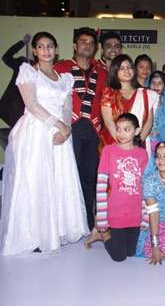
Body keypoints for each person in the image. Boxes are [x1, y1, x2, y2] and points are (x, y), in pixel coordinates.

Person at [0, 32, 88, 255]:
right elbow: (32, 105)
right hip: (36, 132)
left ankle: (55, 231)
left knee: (59, 180)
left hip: (60, 135)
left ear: (56, 49)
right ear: (36, 51)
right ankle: (33, 235)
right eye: (41, 46)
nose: (46, 50)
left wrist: (66, 129)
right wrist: (59, 125)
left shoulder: (65, 78)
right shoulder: (28, 72)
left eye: (50, 46)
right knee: (35, 182)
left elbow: (67, 107)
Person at [54, 27, 108, 230]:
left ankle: (87, 221)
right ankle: (64, 223)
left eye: (91, 43)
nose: (87, 45)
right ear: (75, 45)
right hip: (69, 128)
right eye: (83, 41)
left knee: (89, 177)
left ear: (95, 48)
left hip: (93, 131)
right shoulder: (61, 68)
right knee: (66, 177)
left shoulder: (101, 72)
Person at [85, 113, 148, 261]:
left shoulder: (142, 154)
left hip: (135, 212)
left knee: (131, 252)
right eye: (118, 129)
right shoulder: (109, 151)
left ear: (136, 131)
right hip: (116, 211)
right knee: (119, 257)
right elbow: (101, 185)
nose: (121, 134)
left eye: (127, 129)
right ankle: (104, 234)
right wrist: (101, 216)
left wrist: (145, 214)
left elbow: (146, 185)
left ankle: (113, 235)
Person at [100, 54, 158, 155]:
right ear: (115, 72)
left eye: (129, 67)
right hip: (113, 144)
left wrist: (137, 142)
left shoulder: (145, 94)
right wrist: (123, 144)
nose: (126, 71)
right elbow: (109, 123)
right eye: (122, 68)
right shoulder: (109, 93)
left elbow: (149, 121)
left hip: (138, 144)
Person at [0, 34, 30, 131]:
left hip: (28, 108)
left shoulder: (42, 67)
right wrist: (21, 43)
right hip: (12, 104)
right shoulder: (21, 63)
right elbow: (6, 57)